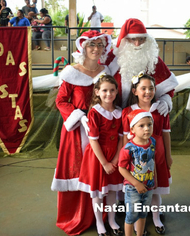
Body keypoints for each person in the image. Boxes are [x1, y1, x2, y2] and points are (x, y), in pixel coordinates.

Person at [50, 30, 112, 236]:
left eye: (100, 45)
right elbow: (61, 101)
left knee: (100, 171)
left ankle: (103, 217)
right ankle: (77, 215)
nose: (96, 49)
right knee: (77, 172)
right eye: (91, 45)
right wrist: (80, 116)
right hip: (77, 131)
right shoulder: (70, 72)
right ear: (83, 47)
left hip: (101, 131)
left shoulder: (107, 70)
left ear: (104, 48)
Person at [122, 73, 172, 235]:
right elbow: (125, 138)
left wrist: (168, 155)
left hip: (157, 153)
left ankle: (156, 217)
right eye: (143, 88)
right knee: (137, 190)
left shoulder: (161, 109)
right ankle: (136, 224)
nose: (148, 92)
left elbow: (166, 133)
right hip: (136, 157)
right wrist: (126, 157)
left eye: (151, 88)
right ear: (135, 91)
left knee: (156, 187)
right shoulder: (128, 112)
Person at [77, 74, 124, 236]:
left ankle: (111, 220)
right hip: (98, 158)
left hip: (114, 157)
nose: (108, 94)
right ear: (97, 92)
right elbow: (93, 141)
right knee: (97, 192)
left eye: (112, 90)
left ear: (117, 91)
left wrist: (116, 160)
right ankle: (99, 222)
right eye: (104, 90)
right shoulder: (94, 113)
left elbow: (121, 138)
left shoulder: (119, 112)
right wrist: (105, 163)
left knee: (111, 191)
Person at [105, 18, 178, 113]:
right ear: (125, 39)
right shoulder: (112, 58)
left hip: (144, 116)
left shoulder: (152, 58)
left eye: (141, 39)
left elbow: (167, 86)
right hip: (114, 113)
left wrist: (165, 100)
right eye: (133, 39)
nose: (137, 44)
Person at [119, 109, 156, 236]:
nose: (146, 129)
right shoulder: (128, 148)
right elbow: (122, 168)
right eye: (141, 125)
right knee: (131, 215)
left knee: (143, 213)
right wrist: (136, 184)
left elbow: (152, 162)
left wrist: (153, 180)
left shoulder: (153, 142)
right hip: (133, 188)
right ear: (132, 129)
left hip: (148, 186)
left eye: (149, 124)